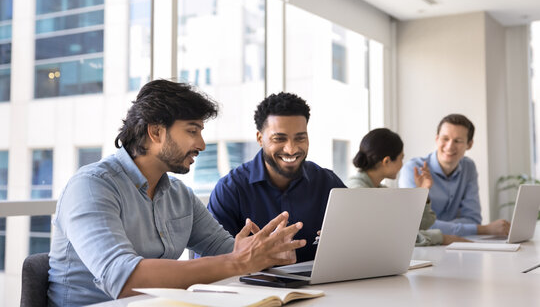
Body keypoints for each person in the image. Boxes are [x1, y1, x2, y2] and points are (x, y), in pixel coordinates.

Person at [47, 80, 306, 307]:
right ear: (156, 131)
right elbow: (124, 279)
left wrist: (267, 254)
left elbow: (226, 251)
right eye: (192, 131)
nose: (201, 144)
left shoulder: (179, 195)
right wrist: (239, 261)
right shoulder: (91, 186)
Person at [207, 92, 346, 263]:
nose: (291, 149)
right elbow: (211, 261)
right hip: (252, 287)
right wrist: (250, 254)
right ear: (260, 138)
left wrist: (344, 242)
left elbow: (358, 239)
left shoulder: (328, 182)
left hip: (323, 286)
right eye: (279, 139)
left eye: (300, 138)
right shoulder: (230, 189)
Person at [346, 128, 468, 245]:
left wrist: (422, 192)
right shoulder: (359, 191)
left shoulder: (380, 190)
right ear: (387, 161)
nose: (402, 164)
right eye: (401, 158)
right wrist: (441, 238)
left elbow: (417, 225)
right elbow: (391, 236)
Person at [398, 114, 510, 236]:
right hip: (423, 247)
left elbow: (473, 219)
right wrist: (481, 229)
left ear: (469, 144)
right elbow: (415, 224)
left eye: (458, 141)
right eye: (445, 139)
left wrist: (440, 227)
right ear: (437, 139)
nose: (450, 146)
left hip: (457, 246)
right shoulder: (413, 169)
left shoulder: (469, 167)